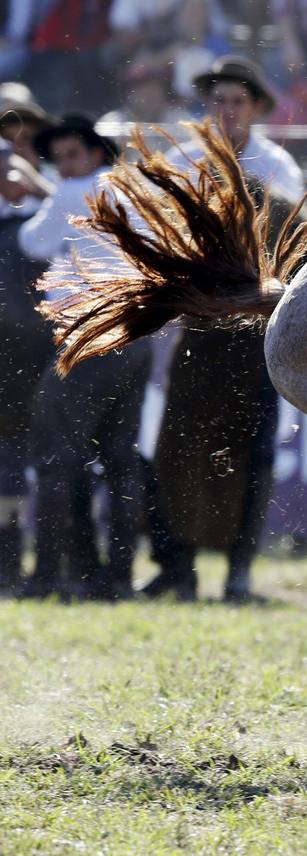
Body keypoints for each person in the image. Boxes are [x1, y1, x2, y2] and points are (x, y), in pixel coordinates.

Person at [140, 56, 304, 602]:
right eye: (218, 101)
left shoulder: (279, 169)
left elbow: (288, 251)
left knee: (253, 451)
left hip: (257, 330)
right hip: (198, 326)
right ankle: (176, 567)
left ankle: (239, 570)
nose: (227, 111)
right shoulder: (181, 160)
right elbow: (155, 239)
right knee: (176, 446)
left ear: (256, 108)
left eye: (238, 101)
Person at [16, 114, 150, 599]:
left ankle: (51, 574)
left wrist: (38, 188)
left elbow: (34, 241)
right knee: (120, 459)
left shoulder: (73, 192)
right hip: (135, 332)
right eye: (60, 159)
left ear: (96, 153)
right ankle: (115, 578)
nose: (66, 165)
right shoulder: (131, 189)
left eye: (73, 155)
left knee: (54, 457)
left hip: (89, 333)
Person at [0, 84, 55, 591]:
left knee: (35, 445)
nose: (14, 141)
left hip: (37, 338)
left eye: (22, 130)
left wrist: (32, 182)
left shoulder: (53, 183)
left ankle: (42, 560)